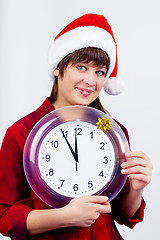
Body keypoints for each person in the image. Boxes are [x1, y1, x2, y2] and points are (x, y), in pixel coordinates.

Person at [0, 13, 152, 240]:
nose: (91, 81)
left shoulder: (111, 130)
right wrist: (65, 216)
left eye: (99, 72)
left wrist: (137, 187)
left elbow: (122, 212)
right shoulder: (22, 132)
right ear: (58, 68)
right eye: (81, 67)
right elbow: (4, 217)